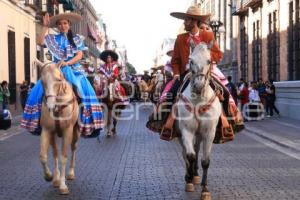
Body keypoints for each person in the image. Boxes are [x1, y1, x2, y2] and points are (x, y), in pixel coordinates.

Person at [21, 12, 103, 135]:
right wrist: (45, 27)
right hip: (56, 69)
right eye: (59, 24)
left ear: (69, 24)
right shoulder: (53, 38)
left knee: (86, 90)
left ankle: (84, 118)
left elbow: (79, 55)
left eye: (65, 23)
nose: (62, 26)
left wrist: (68, 63)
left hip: (74, 70)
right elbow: (39, 42)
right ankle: (37, 120)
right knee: (37, 90)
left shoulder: (76, 39)